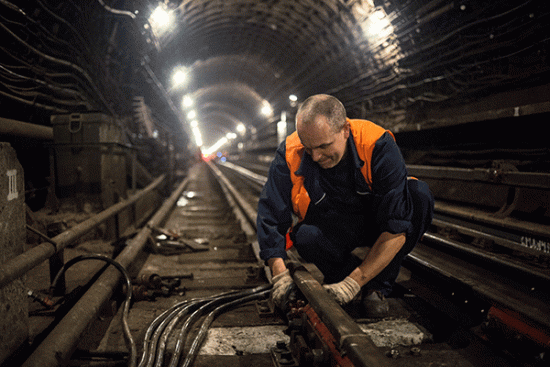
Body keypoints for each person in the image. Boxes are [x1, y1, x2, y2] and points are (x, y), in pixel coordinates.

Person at [256, 94, 434, 316]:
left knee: (418, 195)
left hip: (377, 223)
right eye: (309, 148)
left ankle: (376, 285)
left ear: (345, 130)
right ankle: (340, 276)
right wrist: (279, 274)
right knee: (306, 236)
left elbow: (396, 223)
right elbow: (270, 212)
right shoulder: (291, 150)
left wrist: (354, 283)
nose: (316, 156)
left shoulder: (376, 144)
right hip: (335, 225)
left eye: (323, 146)